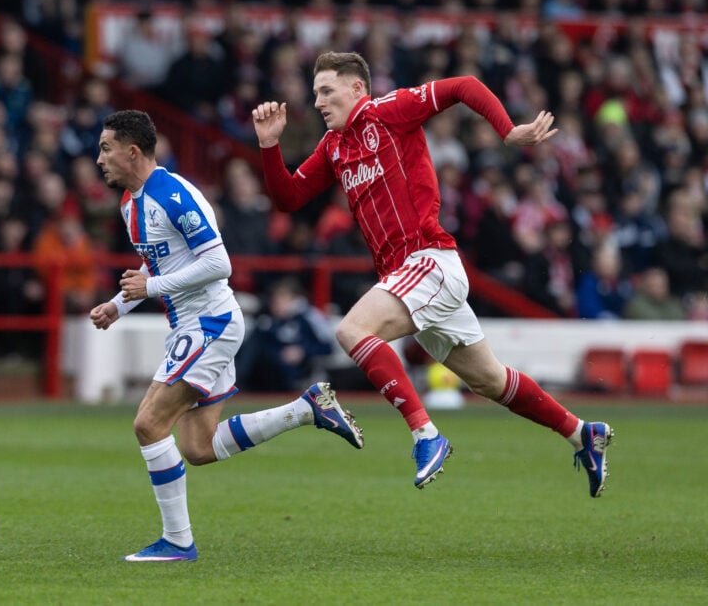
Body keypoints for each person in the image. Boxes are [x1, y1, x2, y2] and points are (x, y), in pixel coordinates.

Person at [251, 51, 613, 497]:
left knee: (352, 330)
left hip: (429, 260)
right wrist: (269, 145)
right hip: (409, 277)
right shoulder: (334, 147)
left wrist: (507, 131)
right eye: (315, 94)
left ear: (357, 89)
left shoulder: (389, 112)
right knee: (489, 380)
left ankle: (426, 435)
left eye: (327, 91)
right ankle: (582, 433)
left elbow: (464, 85)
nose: (319, 102)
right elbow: (288, 197)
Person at [89, 110, 362, 563]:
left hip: (209, 322)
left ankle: (177, 542)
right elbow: (157, 268)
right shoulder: (129, 204)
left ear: (132, 151)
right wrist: (118, 306)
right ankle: (305, 409)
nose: (99, 159)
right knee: (198, 447)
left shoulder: (173, 194)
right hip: (194, 325)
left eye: (105, 148)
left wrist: (151, 288)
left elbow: (219, 265)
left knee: (148, 424)